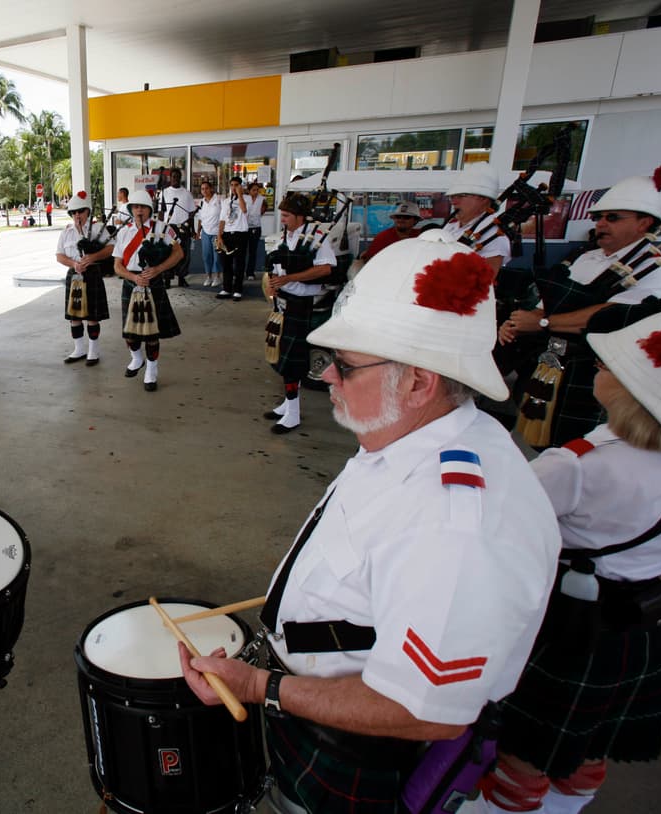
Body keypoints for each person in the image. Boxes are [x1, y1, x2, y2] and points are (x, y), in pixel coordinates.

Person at [178, 232, 560, 814]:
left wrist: (263, 688)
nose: (326, 376)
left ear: (418, 381)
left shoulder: (458, 525)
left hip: (357, 743)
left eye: (345, 365)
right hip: (315, 703)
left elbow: (422, 710)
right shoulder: (408, 432)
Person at [473, 306, 661, 814]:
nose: (598, 368)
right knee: (589, 741)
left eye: (610, 368)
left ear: (632, 395)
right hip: (635, 630)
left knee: (524, 747)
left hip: (563, 623)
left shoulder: (577, 465)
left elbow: (497, 530)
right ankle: (568, 806)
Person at [499, 167, 661, 447]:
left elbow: (608, 317)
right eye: (598, 218)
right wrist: (519, 323)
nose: (601, 224)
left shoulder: (656, 268)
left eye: (612, 217)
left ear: (644, 223)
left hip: (593, 369)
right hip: (550, 362)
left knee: (576, 444)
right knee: (533, 436)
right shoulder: (586, 258)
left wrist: (543, 323)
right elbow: (546, 304)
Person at [263, 193, 337, 435]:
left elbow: (325, 268)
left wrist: (289, 278)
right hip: (282, 302)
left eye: (285, 215)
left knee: (293, 359)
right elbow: (277, 268)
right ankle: (288, 404)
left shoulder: (317, 236)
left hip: (301, 303)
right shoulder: (287, 235)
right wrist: (274, 283)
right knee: (282, 354)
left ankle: (293, 414)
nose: (281, 219)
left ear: (299, 216)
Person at [112, 189, 183, 391]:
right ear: (130, 209)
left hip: (153, 282)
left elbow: (179, 253)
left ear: (149, 209)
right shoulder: (124, 232)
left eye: (142, 207)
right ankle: (137, 358)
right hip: (131, 282)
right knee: (130, 334)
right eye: (135, 207)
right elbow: (117, 266)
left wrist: (158, 269)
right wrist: (133, 277)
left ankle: (152, 369)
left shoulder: (162, 228)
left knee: (152, 333)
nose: (139, 210)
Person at [56, 190, 115, 365]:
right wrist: (74, 264)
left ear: (88, 211)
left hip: (93, 273)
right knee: (74, 315)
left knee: (92, 315)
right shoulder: (66, 233)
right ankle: (79, 349)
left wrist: (93, 257)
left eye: (80, 211)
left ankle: (93, 350)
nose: (77, 215)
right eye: (73, 212)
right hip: (74, 274)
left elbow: (111, 248)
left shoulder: (98, 229)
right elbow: (59, 256)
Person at [442, 162, 511, 273]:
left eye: (461, 196)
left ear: (483, 198)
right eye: (452, 197)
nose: (454, 202)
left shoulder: (494, 235)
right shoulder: (450, 227)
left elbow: (485, 283)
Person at [159, 167, 197, 287]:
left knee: (184, 254)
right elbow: (161, 212)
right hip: (169, 227)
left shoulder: (187, 193)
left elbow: (191, 214)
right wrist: (160, 228)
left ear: (180, 178)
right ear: (170, 178)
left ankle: (181, 278)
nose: (175, 178)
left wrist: (193, 230)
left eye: (177, 176)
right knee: (167, 253)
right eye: (173, 176)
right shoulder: (164, 192)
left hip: (183, 228)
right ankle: (167, 279)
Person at [216, 176, 250, 299]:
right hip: (227, 234)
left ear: (241, 186)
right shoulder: (225, 201)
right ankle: (226, 288)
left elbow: (244, 209)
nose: (234, 187)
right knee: (226, 263)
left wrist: (240, 195)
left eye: (236, 185)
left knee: (239, 263)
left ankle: (238, 290)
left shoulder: (247, 199)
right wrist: (219, 236)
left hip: (240, 233)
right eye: (232, 185)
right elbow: (222, 220)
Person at [195, 180, 223, 287]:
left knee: (217, 257)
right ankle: (209, 277)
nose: (204, 191)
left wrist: (221, 233)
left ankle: (218, 277)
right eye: (202, 189)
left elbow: (223, 217)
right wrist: (198, 231)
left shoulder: (219, 200)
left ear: (211, 188)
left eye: (206, 188)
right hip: (205, 233)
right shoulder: (201, 202)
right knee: (206, 256)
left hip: (216, 232)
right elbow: (200, 219)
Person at [244, 179, 270, 281]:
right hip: (244, 227)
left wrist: (260, 213)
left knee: (252, 251)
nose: (256, 192)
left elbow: (265, 208)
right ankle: (240, 271)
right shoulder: (245, 198)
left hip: (256, 227)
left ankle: (250, 272)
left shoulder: (261, 199)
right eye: (254, 190)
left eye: (257, 190)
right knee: (242, 251)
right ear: (249, 190)